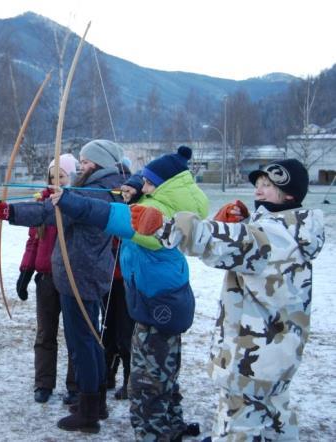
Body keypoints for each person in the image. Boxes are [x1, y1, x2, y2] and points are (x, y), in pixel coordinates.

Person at [132, 159, 325, 441]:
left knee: (238, 426)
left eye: (269, 186)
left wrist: (164, 225)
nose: (259, 190)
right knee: (274, 417)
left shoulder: (270, 236)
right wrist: (245, 222)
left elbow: (215, 241)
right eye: (259, 184)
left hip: (252, 360)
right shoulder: (292, 229)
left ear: (290, 195)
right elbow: (249, 246)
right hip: (277, 357)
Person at [50, 146, 207, 440]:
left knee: (148, 381)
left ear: (165, 186)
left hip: (157, 302)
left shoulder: (157, 214)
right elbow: (136, 186)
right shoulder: (168, 203)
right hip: (164, 299)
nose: (143, 186)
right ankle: (171, 425)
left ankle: (155, 433)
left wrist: (71, 201)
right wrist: (136, 184)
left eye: (149, 183)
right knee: (165, 373)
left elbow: (113, 216)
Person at [0, 140, 126, 434]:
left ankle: (89, 412)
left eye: (84, 160)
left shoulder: (98, 191)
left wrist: (21, 211)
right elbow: (51, 211)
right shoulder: (96, 188)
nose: (80, 165)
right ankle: (95, 403)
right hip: (83, 273)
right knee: (90, 340)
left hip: (80, 274)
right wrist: (14, 213)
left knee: (83, 343)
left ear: (98, 162)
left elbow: (57, 212)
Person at [16, 153, 79, 404]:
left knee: (75, 334)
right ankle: (43, 383)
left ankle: (76, 385)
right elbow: (34, 240)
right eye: (52, 177)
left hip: (72, 279)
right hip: (46, 279)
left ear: (70, 178)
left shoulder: (78, 204)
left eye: (61, 177)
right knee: (45, 334)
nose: (55, 182)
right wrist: (25, 271)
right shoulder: (42, 204)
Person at [102, 173, 142, 400]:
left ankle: (129, 381)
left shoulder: (139, 209)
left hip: (127, 282)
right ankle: (108, 374)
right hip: (109, 279)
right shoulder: (113, 203)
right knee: (107, 329)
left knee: (126, 333)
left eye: (129, 190)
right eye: (122, 190)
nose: (124, 193)